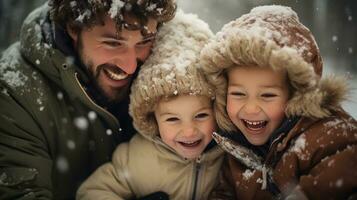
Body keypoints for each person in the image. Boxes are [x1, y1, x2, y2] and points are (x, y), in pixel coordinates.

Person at [0, 0, 176, 199]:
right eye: (113, 43)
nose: (130, 67)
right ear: (74, 27)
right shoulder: (14, 95)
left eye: (144, 42)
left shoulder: (169, 69)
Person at [200, 5, 357, 200]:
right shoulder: (234, 148)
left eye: (267, 95)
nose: (250, 108)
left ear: (296, 94)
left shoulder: (330, 139)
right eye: (238, 94)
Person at [76, 11, 224, 200]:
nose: (189, 131)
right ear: (153, 118)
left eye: (201, 116)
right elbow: (92, 192)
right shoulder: (137, 159)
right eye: (172, 119)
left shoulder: (228, 156)